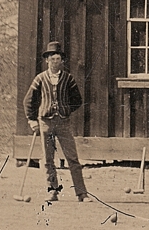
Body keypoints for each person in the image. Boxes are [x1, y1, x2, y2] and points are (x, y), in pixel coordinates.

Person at [23, 41, 91, 202]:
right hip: (45, 122)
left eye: (58, 59)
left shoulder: (68, 79)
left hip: (63, 123)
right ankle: (53, 191)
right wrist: (32, 120)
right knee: (47, 159)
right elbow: (28, 101)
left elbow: (77, 100)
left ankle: (82, 193)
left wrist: (65, 110)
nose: (55, 62)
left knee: (72, 158)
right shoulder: (40, 78)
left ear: (62, 61)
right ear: (47, 60)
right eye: (52, 59)